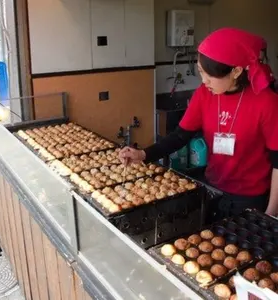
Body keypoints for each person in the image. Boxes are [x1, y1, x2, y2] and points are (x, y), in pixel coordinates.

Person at [119, 27, 278, 221]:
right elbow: (180, 136)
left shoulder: (266, 101)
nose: (204, 81)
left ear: (236, 71)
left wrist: (271, 212)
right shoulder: (204, 94)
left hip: (250, 199)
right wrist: (144, 154)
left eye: (210, 75)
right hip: (212, 188)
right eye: (201, 72)